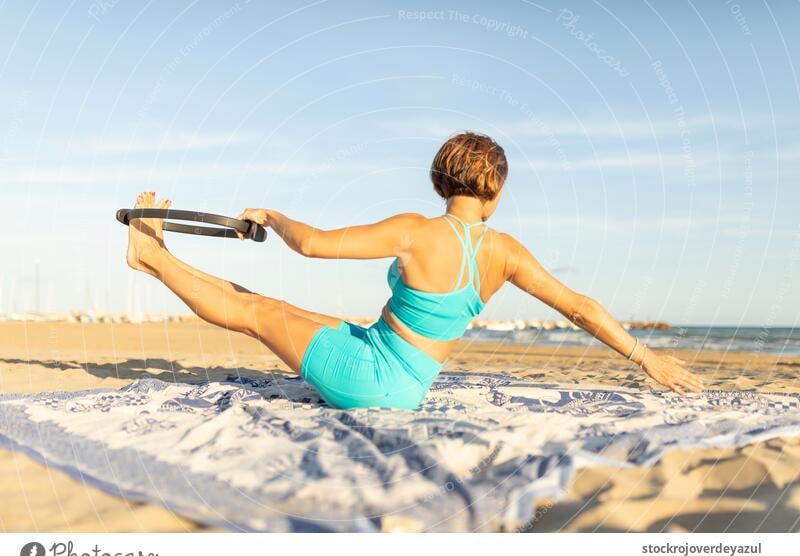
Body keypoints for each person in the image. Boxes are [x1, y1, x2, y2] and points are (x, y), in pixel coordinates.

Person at [125, 131, 704, 409]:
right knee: (270, 306)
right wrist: (646, 357)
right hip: (402, 380)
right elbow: (579, 306)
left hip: (370, 378)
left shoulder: (416, 230)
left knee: (256, 312)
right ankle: (158, 262)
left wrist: (272, 215)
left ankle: (150, 257)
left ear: (439, 182)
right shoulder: (506, 252)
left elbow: (314, 246)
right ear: (495, 190)